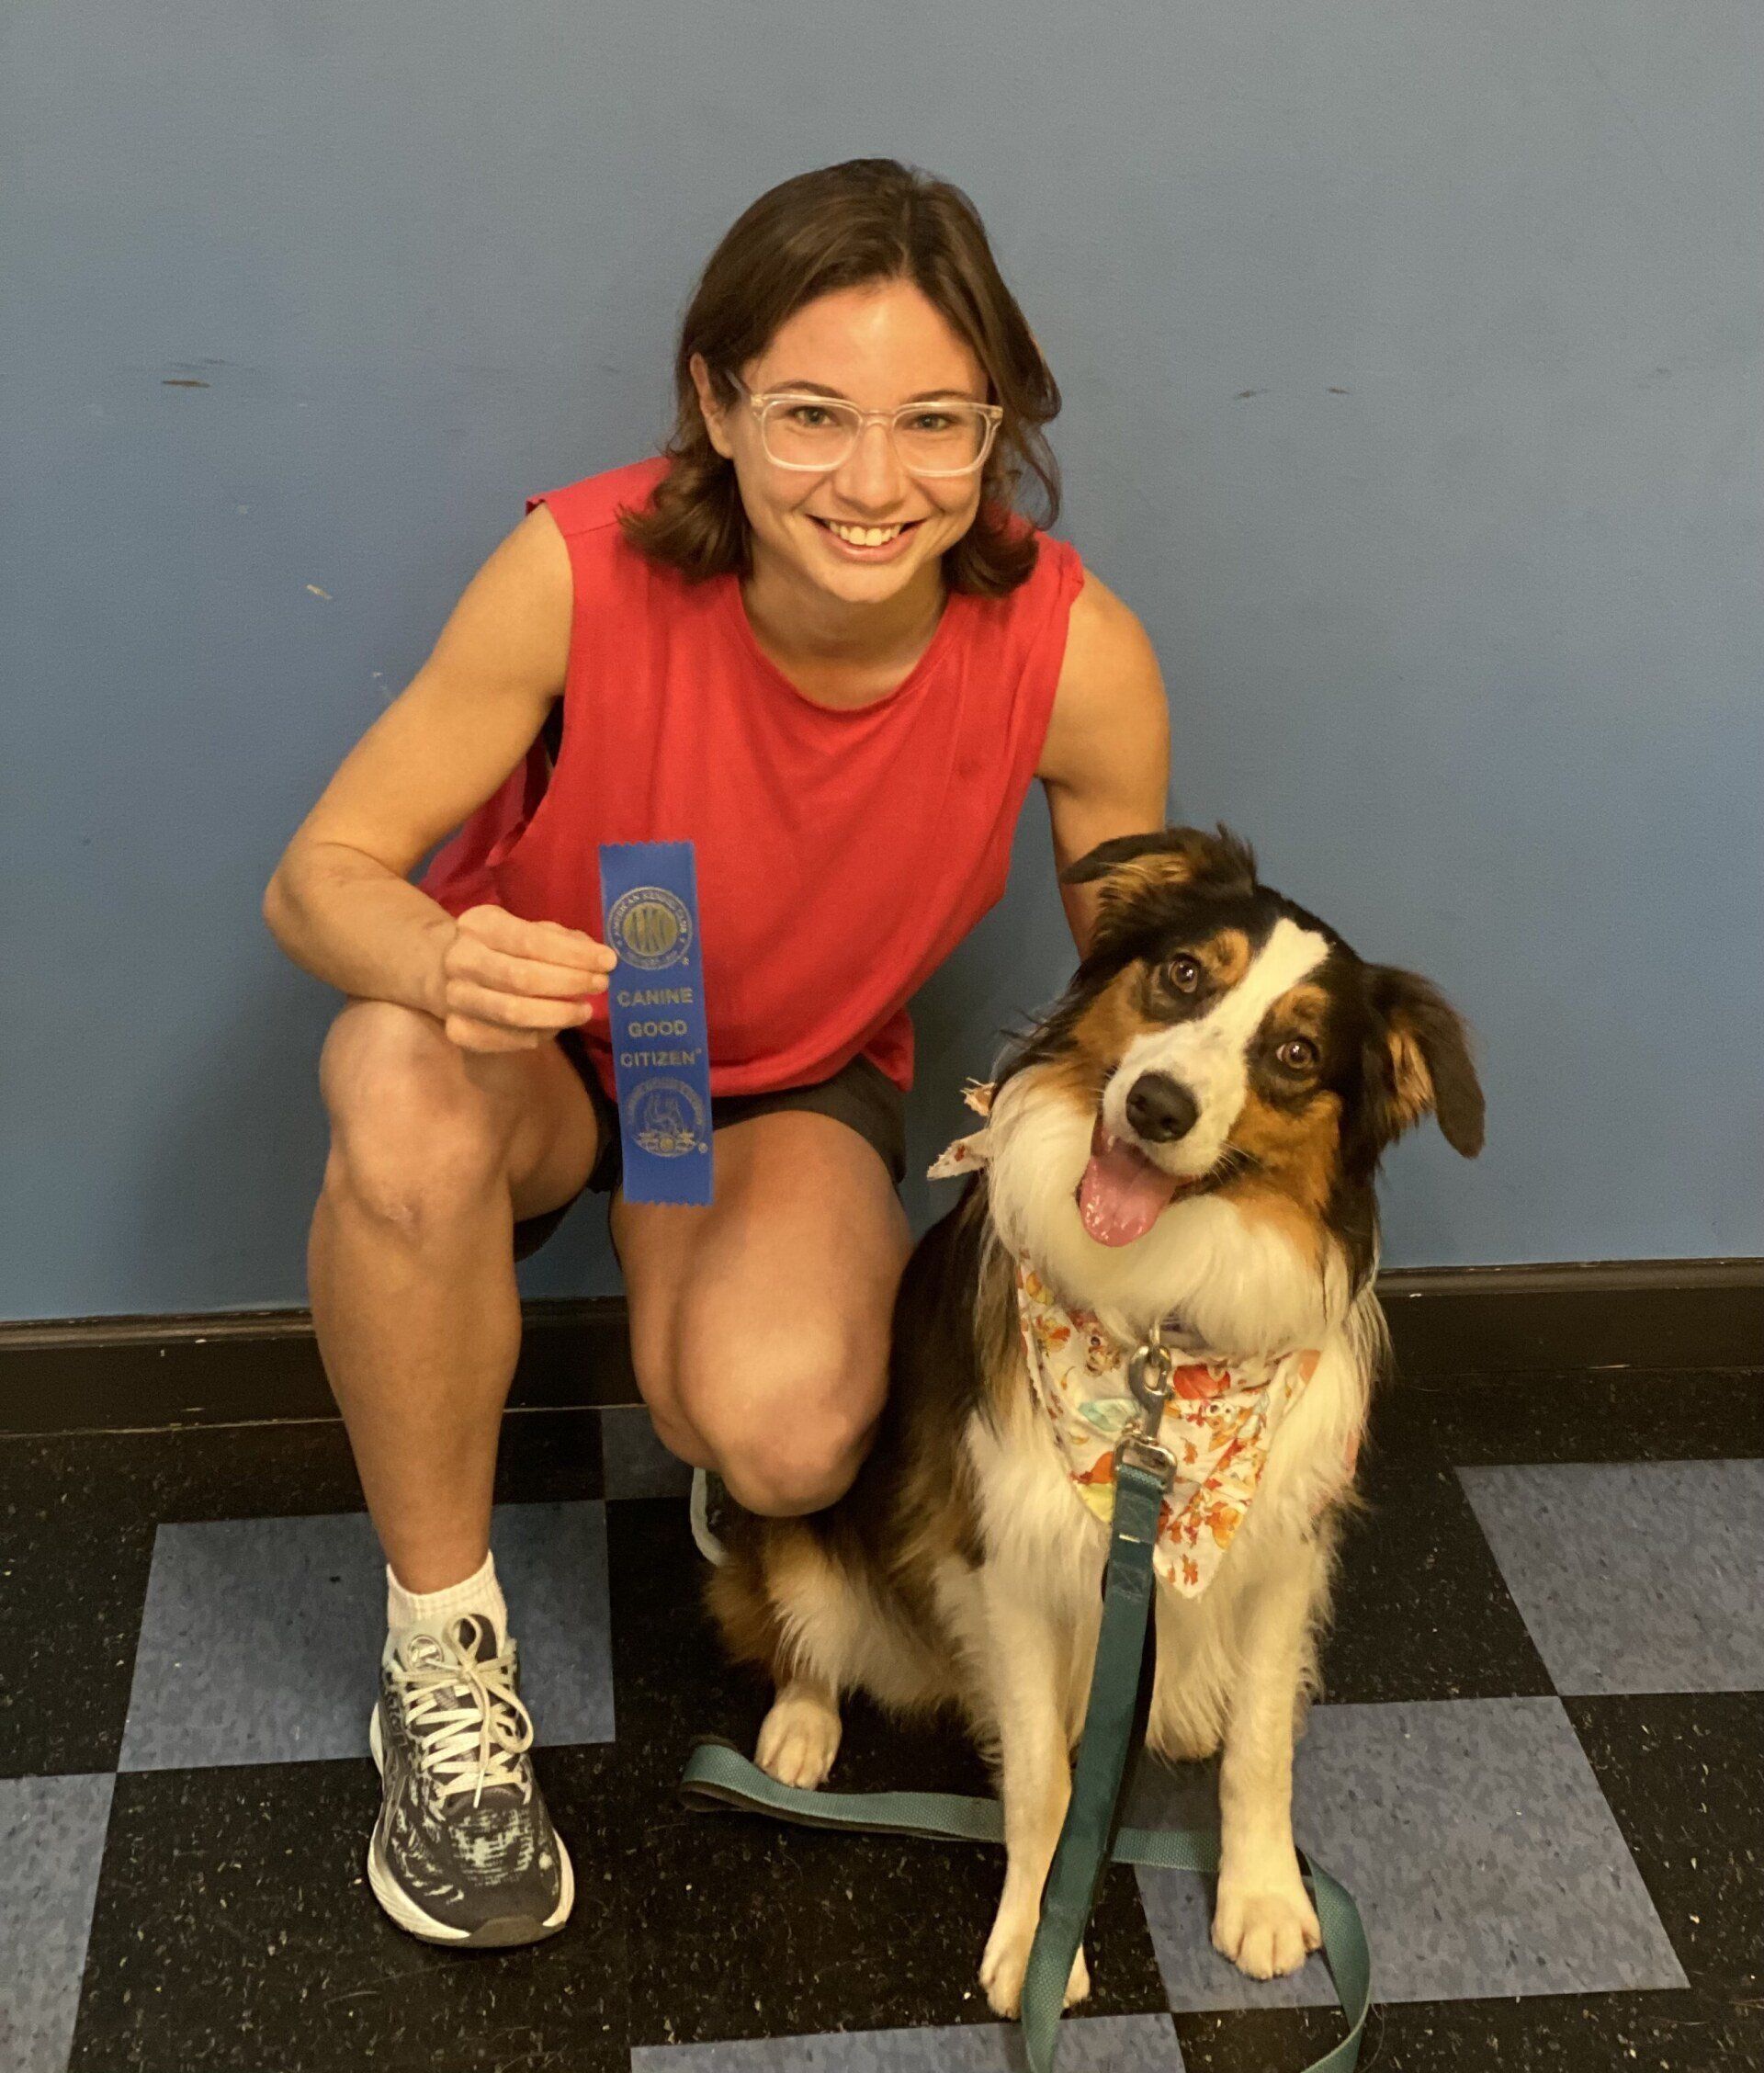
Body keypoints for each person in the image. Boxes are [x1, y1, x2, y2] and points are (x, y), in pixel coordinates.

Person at [262, 158, 1170, 1948]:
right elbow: (318, 881)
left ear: (996, 428)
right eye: (813, 414)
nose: (874, 483)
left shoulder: (1078, 654)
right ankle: (440, 1660)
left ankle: (707, 1340)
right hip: (542, 1039)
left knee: (777, 1438)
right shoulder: (573, 568)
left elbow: (1144, 1001)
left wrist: (1155, 1249)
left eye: (934, 422)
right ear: (718, 400)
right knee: (390, 1081)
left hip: (763, 1080)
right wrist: (443, 955)